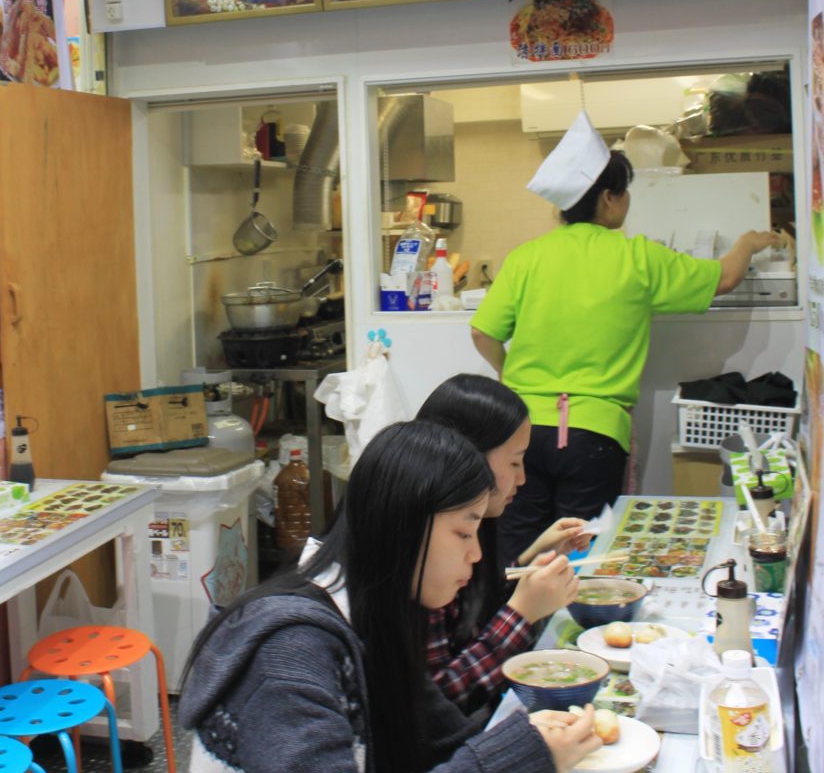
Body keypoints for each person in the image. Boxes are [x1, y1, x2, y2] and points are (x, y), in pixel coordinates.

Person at [179, 420, 601, 773]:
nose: (475, 554)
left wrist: (540, 737)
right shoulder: (289, 651)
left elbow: (444, 740)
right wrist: (520, 753)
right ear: (406, 525)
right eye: (463, 531)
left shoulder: (374, 615)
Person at [470, 110, 779, 563]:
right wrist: (748, 243)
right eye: (626, 192)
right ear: (610, 199)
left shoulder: (526, 257)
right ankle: (572, 632)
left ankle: (508, 630)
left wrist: (508, 372)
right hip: (596, 434)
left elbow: (483, 331)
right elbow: (725, 277)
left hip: (523, 431)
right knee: (582, 552)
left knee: (517, 550)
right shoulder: (638, 257)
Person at [417, 373, 590, 713]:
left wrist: (533, 557)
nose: (523, 478)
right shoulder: (424, 539)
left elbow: (476, 605)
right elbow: (441, 702)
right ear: (469, 453)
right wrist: (522, 614)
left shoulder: (475, 522)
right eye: (514, 461)